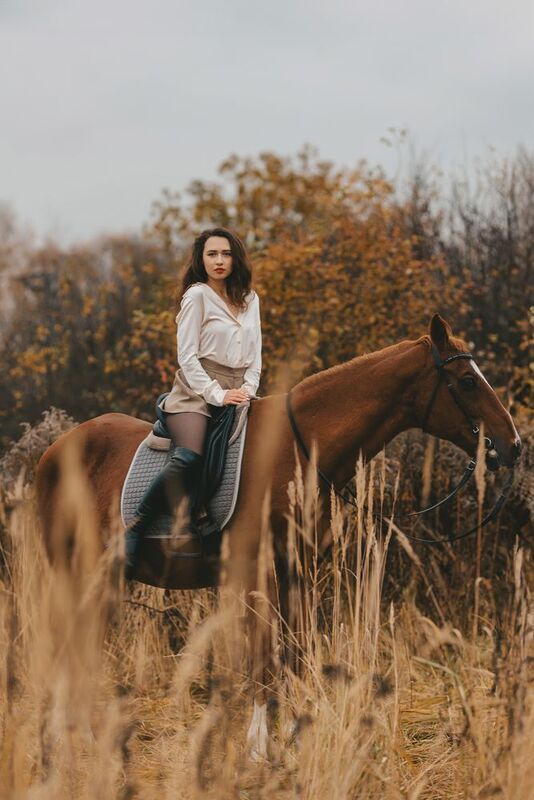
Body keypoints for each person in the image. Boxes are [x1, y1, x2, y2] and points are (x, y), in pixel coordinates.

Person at [124, 227, 262, 575]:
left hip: (239, 388)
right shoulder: (197, 296)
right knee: (189, 455)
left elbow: (256, 354)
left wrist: (248, 387)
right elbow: (187, 357)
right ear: (201, 260)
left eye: (226, 254)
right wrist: (217, 394)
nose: (219, 261)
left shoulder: (250, 299)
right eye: (212, 254)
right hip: (195, 391)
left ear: (236, 258)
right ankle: (138, 524)